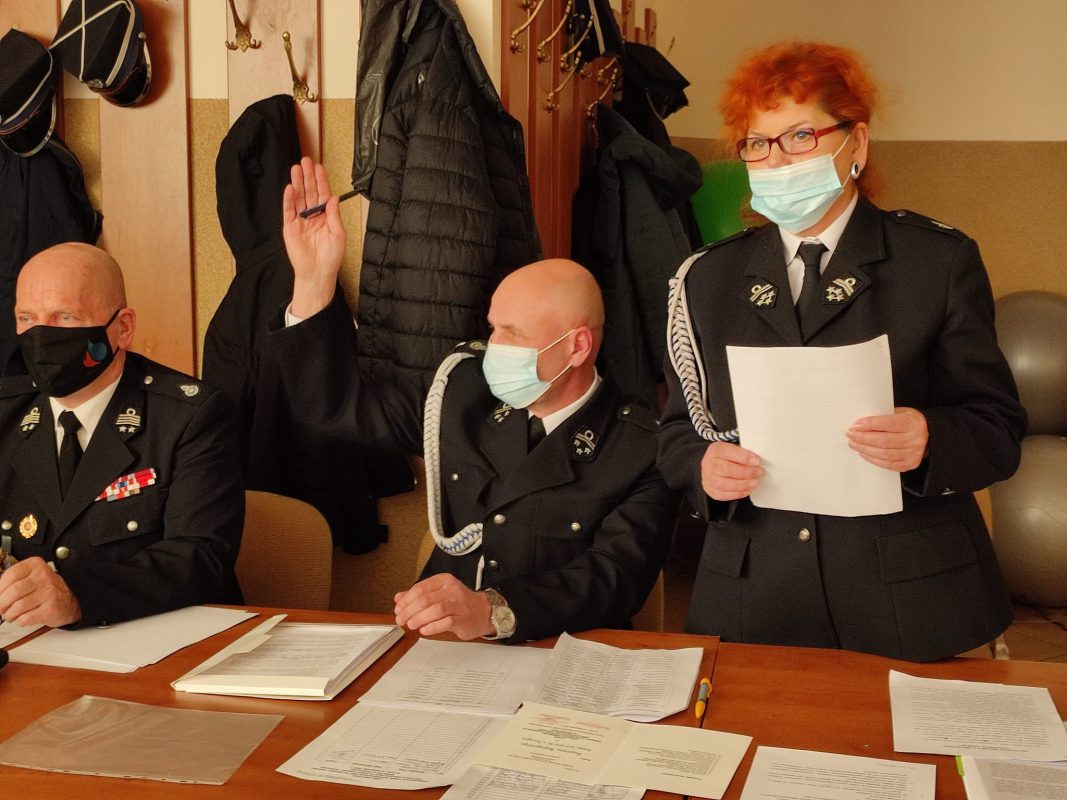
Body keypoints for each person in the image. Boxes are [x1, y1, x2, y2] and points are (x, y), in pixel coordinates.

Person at [658, 42, 1026, 662]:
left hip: (911, 593)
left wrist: (929, 438)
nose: (777, 160)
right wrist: (703, 467)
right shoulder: (706, 278)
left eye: (801, 136)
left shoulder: (935, 262)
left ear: (856, 143)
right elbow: (675, 433)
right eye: (758, 143)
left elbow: (998, 428)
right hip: (757, 590)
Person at [267, 158, 675, 642]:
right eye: (493, 327)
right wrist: (314, 280)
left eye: (513, 334)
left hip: (565, 651)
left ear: (577, 347)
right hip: (446, 651)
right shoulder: (463, 391)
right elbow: (338, 407)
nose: (493, 347)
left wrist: (491, 611)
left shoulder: (641, 446)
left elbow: (615, 579)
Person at [0, 243, 244, 628]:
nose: (41, 337)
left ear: (123, 327)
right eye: (27, 318)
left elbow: (200, 557)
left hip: (157, 639)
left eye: (65, 317)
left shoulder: (189, 416)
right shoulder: (6, 413)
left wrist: (76, 594)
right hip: (28, 642)